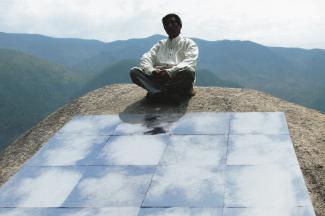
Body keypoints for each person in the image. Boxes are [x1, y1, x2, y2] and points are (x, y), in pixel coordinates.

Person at [130, 13, 199, 104]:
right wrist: (152, 71)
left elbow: (189, 61)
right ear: (164, 28)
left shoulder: (189, 43)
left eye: (173, 22)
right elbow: (146, 58)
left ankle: (156, 92)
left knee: (188, 71)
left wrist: (169, 72)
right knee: (134, 72)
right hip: (159, 77)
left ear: (180, 25)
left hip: (176, 76)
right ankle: (171, 93)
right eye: (166, 24)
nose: (169, 25)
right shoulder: (160, 44)